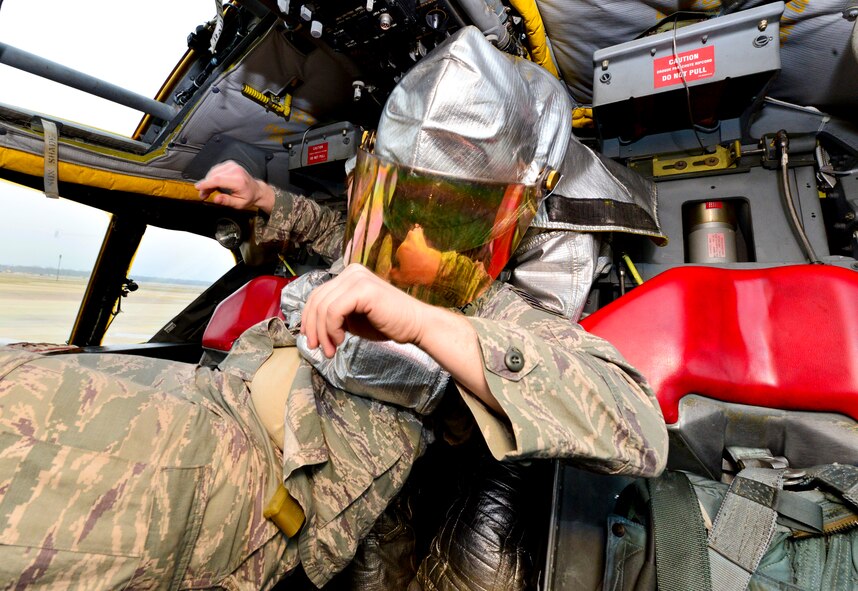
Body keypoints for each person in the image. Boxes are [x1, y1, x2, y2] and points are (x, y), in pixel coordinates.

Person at [0, 27, 666, 590]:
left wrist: (421, 323)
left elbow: (636, 425)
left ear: (498, 222)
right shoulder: (385, 245)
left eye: (441, 212)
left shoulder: (498, 312)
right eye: (398, 199)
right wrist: (266, 199)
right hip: (217, 393)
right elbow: (334, 235)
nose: (408, 233)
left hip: (260, 469)